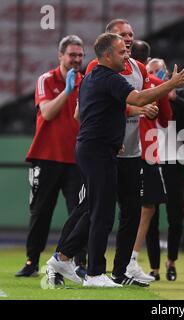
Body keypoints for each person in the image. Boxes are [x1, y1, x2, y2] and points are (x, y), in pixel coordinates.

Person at [46, 32, 184, 287]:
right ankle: (93, 274)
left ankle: (63, 258)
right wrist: (171, 84)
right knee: (101, 212)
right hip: (97, 150)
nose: (126, 54)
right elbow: (138, 98)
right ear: (107, 55)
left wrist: (114, 137)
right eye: (121, 51)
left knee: (97, 208)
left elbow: (98, 112)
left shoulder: (95, 77)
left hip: (100, 148)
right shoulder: (108, 77)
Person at [84, 19, 159, 286]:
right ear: (109, 42)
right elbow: (127, 101)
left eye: (130, 35)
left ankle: (120, 271)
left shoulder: (138, 67)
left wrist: (151, 106)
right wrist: (167, 87)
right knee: (95, 211)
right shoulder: (100, 69)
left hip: (127, 149)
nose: (128, 40)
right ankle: (72, 260)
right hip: (104, 148)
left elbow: (146, 98)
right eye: (122, 36)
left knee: (131, 211)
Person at [16, 35, 87, 278]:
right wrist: (67, 91)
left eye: (80, 55)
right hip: (46, 156)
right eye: (72, 55)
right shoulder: (46, 79)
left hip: (77, 159)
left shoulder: (87, 82)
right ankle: (31, 261)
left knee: (79, 212)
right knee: (40, 211)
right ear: (61, 56)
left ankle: (79, 263)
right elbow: (46, 113)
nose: (77, 59)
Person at [123, 40, 173, 283]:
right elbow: (165, 120)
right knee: (146, 207)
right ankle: (129, 260)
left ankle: (82, 259)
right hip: (147, 151)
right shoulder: (157, 84)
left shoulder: (120, 81)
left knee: (104, 204)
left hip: (118, 147)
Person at [144, 57, 184, 281]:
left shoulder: (176, 93)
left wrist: (172, 94)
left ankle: (171, 260)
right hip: (150, 157)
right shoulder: (144, 92)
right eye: (153, 71)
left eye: (160, 71)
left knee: (176, 214)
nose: (158, 75)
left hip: (173, 158)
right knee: (150, 215)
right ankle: (154, 267)